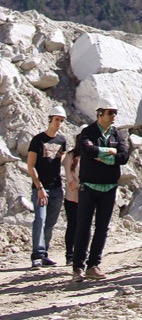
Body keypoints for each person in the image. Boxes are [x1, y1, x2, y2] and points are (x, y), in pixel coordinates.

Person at [72, 101, 129, 282]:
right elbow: (86, 150)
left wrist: (105, 158)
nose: (114, 116)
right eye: (110, 113)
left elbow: (124, 156)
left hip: (109, 188)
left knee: (102, 228)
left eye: (115, 112)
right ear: (100, 114)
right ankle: (78, 267)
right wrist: (110, 151)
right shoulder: (88, 132)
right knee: (83, 227)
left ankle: (93, 265)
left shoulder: (117, 134)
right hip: (88, 187)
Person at [27, 104, 67, 267]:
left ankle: (44, 254)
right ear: (50, 119)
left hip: (57, 188)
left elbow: (62, 157)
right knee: (40, 219)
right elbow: (31, 166)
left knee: (50, 222)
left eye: (62, 120)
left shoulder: (62, 140)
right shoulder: (38, 140)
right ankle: (37, 255)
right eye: (57, 119)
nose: (59, 123)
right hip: (41, 189)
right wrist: (39, 188)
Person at [62, 133, 81, 266]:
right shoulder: (70, 156)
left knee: (84, 226)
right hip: (72, 197)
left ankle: (81, 253)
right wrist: (82, 183)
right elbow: (71, 181)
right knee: (72, 225)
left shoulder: (91, 155)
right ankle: (70, 254)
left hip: (87, 197)